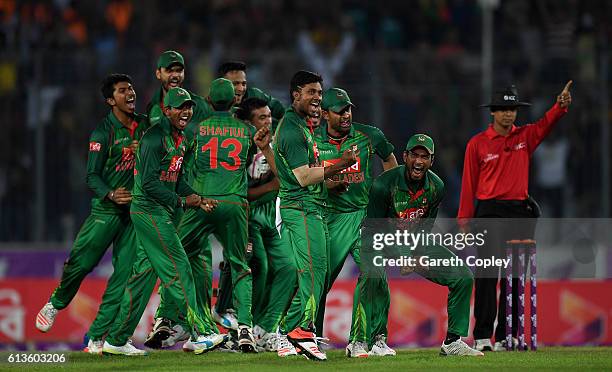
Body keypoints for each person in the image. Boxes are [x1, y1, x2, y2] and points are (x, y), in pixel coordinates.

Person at [101, 87, 225, 356]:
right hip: (148, 211)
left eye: (189, 107)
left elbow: (176, 179)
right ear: (166, 110)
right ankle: (202, 331)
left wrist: (196, 197)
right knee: (179, 268)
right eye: (179, 107)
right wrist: (182, 202)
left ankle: (116, 340)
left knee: (143, 277)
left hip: (159, 212)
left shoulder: (181, 138)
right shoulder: (154, 139)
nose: (186, 112)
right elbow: (147, 184)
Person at [35, 74, 148, 355]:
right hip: (106, 211)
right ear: (111, 101)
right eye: (122, 91)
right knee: (81, 264)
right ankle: (55, 304)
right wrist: (110, 193)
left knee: (122, 277)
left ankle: (97, 338)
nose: (130, 93)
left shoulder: (145, 126)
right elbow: (91, 177)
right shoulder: (102, 133)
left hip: (134, 214)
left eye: (131, 88)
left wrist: (145, 152)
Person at [158, 79, 272, 353]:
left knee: (174, 255)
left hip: (201, 203)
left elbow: (185, 161)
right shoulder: (246, 130)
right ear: (234, 101)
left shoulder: (195, 129)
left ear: (209, 100)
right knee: (239, 265)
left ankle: (170, 319)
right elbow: (245, 164)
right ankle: (244, 328)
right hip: (234, 204)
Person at [458, 82, 572, 351]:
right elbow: (468, 185)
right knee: (487, 274)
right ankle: (484, 336)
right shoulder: (477, 144)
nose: (509, 114)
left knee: (515, 277)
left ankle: (508, 336)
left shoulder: (525, 137)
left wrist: (560, 106)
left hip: (520, 212)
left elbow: (545, 124)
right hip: (489, 213)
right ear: (493, 113)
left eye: (513, 109)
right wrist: (464, 221)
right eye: (504, 109)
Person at [366, 134, 483, 357]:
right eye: (414, 156)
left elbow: (425, 227)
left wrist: (417, 253)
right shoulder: (383, 184)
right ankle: (376, 340)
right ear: (405, 156)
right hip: (378, 238)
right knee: (374, 276)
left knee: (463, 277)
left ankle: (452, 342)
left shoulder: (436, 186)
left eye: (424, 157)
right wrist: (403, 255)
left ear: (431, 161)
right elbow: (376, 227)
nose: (418, 161)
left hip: (414, 239)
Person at [273, 70, 358, 361]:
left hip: (311, 207)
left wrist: (331, 182)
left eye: (320, 93)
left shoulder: (302, 125)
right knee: (312, 272)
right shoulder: (292, 131)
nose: (317, 98)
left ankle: (287, 332)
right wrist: (342, 164)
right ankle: (302, 331)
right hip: (301, 208)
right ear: (296, 93)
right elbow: (304, 177)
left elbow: (299, 172)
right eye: (311, 92)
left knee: (316, 273)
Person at [311, 88, 398, 357]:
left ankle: (370, 339)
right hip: (330, 217)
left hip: (364, 215)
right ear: (325, 115)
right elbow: (302, 175)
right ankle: (308, 337)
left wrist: (389, 196)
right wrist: (327, 184)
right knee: (318, 282)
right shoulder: (311, 139)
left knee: (376, 275)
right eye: (340, 111)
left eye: (349, 109)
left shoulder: (369, 135)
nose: (346, 115)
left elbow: (389, 159)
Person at [213, 61, 286, 327]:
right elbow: (236, 186)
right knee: (246, 260)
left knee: (272, 266)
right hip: (236, 206)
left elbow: (284, 112)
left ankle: (258, 323)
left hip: (267, 210)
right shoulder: (226, 129)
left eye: (243, 83)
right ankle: (227, 312)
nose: (240, 89)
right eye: (234, 84)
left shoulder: (263, 114)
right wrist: (271, 186)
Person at [235, 97, 296, 352]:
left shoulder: (275, 144)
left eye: (270, 116)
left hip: (272, 213)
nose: (268, 121)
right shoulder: (238, 147)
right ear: (248, 123)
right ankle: (244, 327)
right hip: (247, 215)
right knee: (259, 265)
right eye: (262, 117)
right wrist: (270, 186)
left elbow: (287, 180)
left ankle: (265, 328)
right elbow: (235, 192)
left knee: (290, 267)